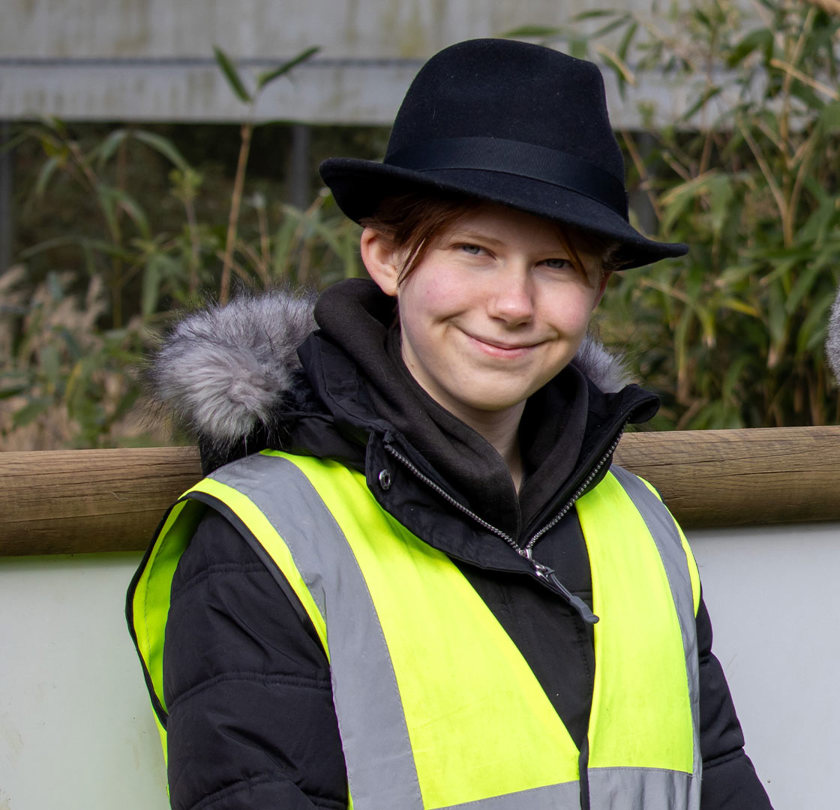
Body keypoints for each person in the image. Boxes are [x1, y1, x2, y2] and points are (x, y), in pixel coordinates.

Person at [126, 38, 772, 810]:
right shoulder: (267, 538)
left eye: (557, 265)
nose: (513, 303)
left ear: (599, 287)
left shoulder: (640, 525)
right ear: (388, 257)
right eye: (475, 250)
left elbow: (722, 778)